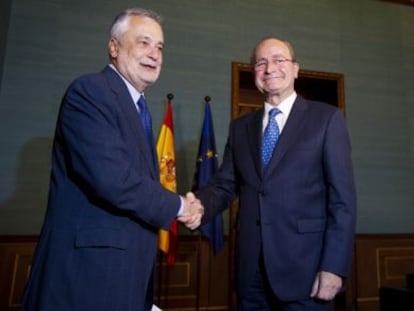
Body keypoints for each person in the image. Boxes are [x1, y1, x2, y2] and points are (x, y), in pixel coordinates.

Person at [22, 8, 203, 311]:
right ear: (114, 47)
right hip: (86, 277)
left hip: (122, 279)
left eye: (159, 47)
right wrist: (182, 206)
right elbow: (114, 180)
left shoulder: (137, 107)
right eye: (144, 43)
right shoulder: (91, 92)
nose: (154, 54)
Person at [195, 37, 357, 310]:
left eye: (279, 60)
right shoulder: (240, 127)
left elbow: (343, 202)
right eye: (261, 62)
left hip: (308, 274)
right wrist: (196, 205)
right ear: (254, 73)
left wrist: (334, 267)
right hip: (251, 274)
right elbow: (225, 185)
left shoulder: (327, 119)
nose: (270, 68)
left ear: (295, 69)